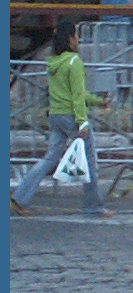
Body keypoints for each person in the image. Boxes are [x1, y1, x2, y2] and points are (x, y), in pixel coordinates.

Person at [11, 20, 113, 217]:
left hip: (56, 116)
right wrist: (83, 121)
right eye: (76, 35)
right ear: (70, 39)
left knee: (49, 158)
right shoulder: (74, 62)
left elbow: (73, 93)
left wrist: (98, 102)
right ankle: (93, 206)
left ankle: (21, 197)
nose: (78, 39)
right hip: (72, 117)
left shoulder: (53, 63)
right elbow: (77, 95)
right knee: (90, 161)